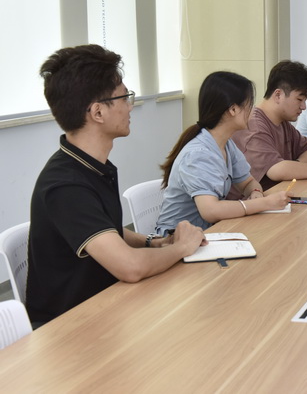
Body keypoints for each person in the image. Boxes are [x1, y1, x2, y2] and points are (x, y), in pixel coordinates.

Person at [26, 45, 207, 327]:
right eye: (124, 97)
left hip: (107, 304)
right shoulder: (65, 185)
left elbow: (105, 229)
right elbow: (130, 267)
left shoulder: (90, 165)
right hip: (68, 327)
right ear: (98, 112)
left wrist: (154, 242)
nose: (130, 106)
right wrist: (182, 247)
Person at [155, 71, 292, 236]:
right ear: (233, 109)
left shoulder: (226, 144)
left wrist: (255, 192)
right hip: (176, 239)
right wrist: (265, 203)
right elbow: (211, 211)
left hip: (206, 233)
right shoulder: (198, 154)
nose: (252, 110)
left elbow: (248, 182)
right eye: (249, 104)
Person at [229, 60, 307, 196]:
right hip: (248, 204)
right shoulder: (254, 126)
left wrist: (293, 167)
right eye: (299, 99)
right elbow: (277, 171)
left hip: (278, 195)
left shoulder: (282, 122)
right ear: (278, 95)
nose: (304, 106)